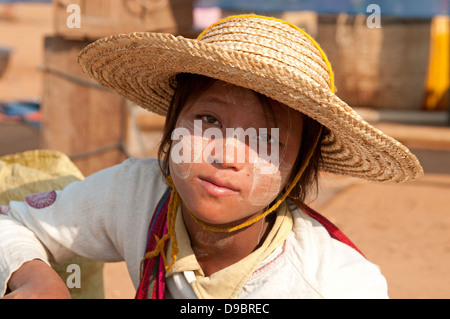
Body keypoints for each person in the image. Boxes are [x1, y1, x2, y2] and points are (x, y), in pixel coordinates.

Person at [0, 14, 423, 299]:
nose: (226, 155)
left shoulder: (338, 286)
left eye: (265, 139)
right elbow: (12, 223)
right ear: (172, 125)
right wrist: (35, 274)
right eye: (208, 119)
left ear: (297, 170)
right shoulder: (134, 195)